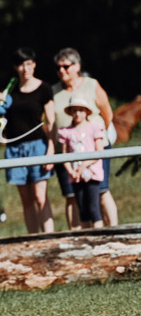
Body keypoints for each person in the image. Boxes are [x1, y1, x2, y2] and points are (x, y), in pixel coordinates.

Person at [51, 48, 118, 229]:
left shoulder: (91, 84)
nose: (61, 71)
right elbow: (50, 124)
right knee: (72, 196)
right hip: (67, 150)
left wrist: (96, 134)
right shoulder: (54, 91)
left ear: (77, 66)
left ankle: (113, 230)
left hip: (94, 148)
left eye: (66, 66)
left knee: (101, 191)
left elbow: (107, 112)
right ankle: (77, 236)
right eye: (58, 68)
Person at [0, 47, 55, 234]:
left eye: (28, 64)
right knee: (26, 200)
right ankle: (33, 239)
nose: (25, 68)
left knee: (40, 196)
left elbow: (51, 121)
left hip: (38, 145)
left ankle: (50, 238)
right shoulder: (10, 92)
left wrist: (51, 149)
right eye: (21, 64)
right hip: (15, 148)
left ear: (34, 65)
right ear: (15, 67)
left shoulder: (44, 89)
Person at [57, 97, 106, 229]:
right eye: (74, 111)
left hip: (92, 172)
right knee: (82, 208)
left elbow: (99, 152)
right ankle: (86, 236)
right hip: (75, 175)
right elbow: (65, 154)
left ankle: (99, 234)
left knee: (93, 207)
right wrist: (71, 171)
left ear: (86, 112)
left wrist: (84, 165)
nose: (77, 114)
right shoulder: (66, 132)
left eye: (80, 110)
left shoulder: (94, 128)